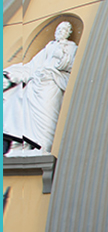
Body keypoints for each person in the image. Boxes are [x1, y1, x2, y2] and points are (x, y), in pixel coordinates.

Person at [3, 21, 77, 154]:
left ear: (68, 33)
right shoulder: (50, 46)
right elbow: (33, 66)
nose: (60, 32)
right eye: (59, 29)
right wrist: (11, 75)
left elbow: (68, 64)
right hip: (37, 83)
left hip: (52, 83)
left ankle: (43, 145)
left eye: (64, 30)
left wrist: (60, 56)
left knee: (46, 115)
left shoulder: (70, 46)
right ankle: (26, 143)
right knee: (18, 100)